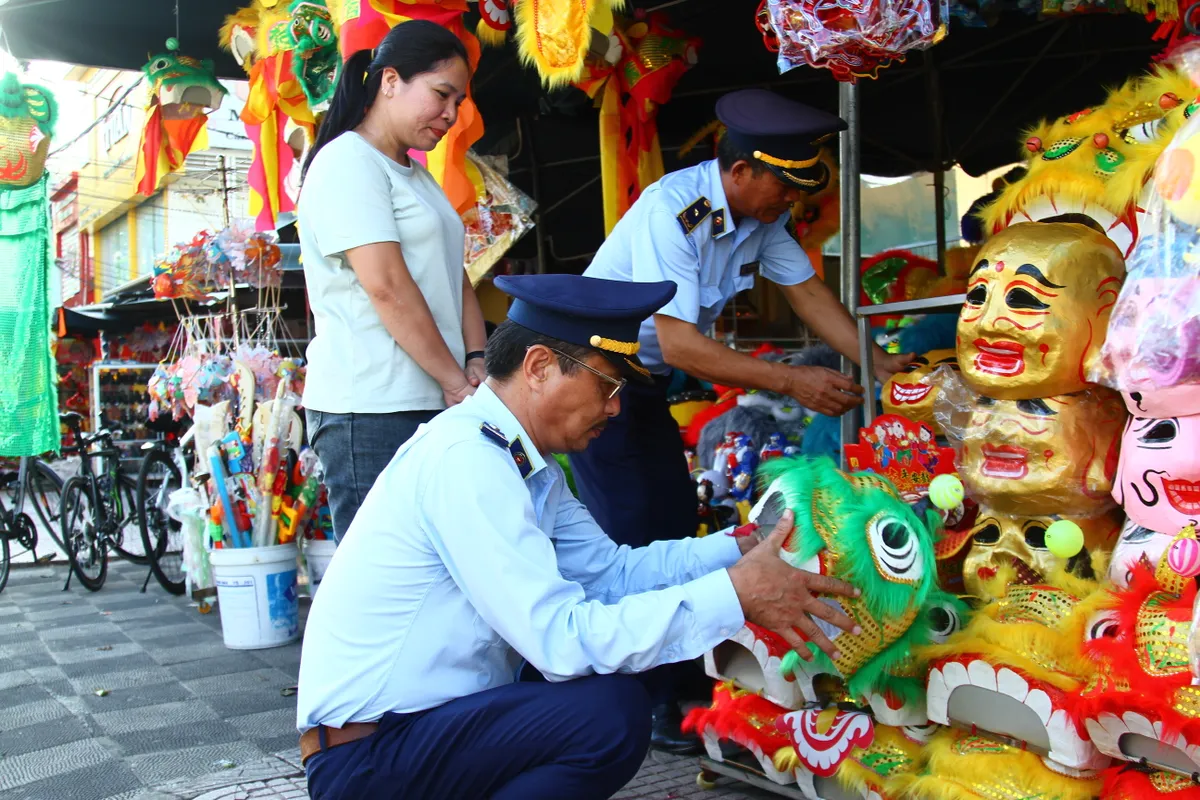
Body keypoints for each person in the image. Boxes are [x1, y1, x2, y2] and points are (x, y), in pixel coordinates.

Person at [296, 273, 863, 800]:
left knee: (603, 702)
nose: (615, 409)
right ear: (540, 366)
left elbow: (610, 575)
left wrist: (735, 548)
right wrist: (734, 594)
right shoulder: (467, 459)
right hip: (368, 758)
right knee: (605, 714)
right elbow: (560, 642)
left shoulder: (520, 460)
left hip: (423, 733)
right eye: (607, 385)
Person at [574, 87, 914, 751]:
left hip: (639, 387)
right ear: (739, 172)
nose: (790, 202)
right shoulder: (675, 213)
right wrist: (794, 381)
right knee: (638, 538)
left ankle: (678, 690)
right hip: (592, 383)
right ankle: (646, 705)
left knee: (671, 524)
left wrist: (883, 368)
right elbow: (678, 343)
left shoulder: (761, 221)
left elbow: (809, 294)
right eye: (782, 187)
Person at [297, 20, 488, 542]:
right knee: (379, 589)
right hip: (372, 409)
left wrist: (475, 360)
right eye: (441, 95)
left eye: (458, 102)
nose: (450, 115)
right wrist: (454, 381)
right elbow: (386, 286)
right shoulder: (346, 163)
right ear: (389, 82)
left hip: (432, 401)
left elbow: (456, 277)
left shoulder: (414, 172)